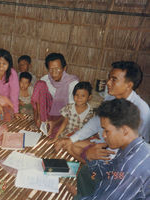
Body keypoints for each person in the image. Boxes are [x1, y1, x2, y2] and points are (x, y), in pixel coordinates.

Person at [57, 61, 150, 198]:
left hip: (121, 173)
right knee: (87, 171)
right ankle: (90, 191)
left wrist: (80, 198)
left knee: (81, 156)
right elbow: (96, 123)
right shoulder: (112, 100)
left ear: (129, 85)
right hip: (116, 161)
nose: (108, 83)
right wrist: (91, 157)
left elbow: (118, 178)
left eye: (114, 79)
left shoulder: (142, 111)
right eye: (109, 78)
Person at [75, 99, 150, 199]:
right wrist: (91, 157)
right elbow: (111, 174)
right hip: (114, 189)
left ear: (124, 130)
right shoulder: (131, 147)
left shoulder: (130, 168)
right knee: (86, 171)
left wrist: (78, 197)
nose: (103, 135)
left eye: (107, 131)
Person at [32, 53, 78, 137]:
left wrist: (55, 122)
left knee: (55, 133)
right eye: (51, 69)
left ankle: (51, 125)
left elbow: (71, 110)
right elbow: (37, 100)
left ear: (64, 68)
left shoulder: (72, 84)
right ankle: (41, 121)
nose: (54, 73)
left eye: (57, 69)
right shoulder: (45, 80)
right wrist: (37, 117)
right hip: (47, 114)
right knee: (39, 84)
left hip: (63, 116)